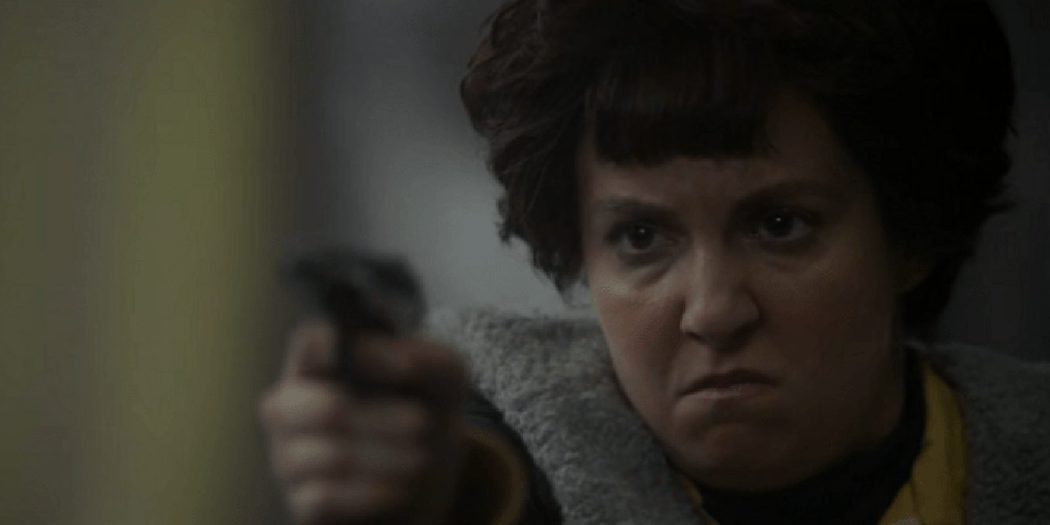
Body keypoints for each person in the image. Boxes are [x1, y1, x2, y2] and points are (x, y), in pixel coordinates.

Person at [258, 0, 1050, 523]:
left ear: (909, 237)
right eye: (641, 238)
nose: (713, 310)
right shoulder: (517, 439)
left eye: (780, 225)